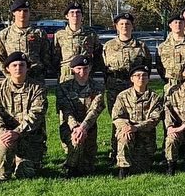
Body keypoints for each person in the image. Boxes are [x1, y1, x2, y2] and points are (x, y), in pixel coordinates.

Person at [0, 51, 48, 182]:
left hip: (30, 137)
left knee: (26, 174)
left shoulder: (37, 88)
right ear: (7, 68)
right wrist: (2, 132)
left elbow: (37, 114)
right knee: (3, 147)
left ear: (27, 68)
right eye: (14, 65)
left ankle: (19, 162)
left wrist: (18, 132)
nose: (18, 68)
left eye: (22, 65)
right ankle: (3, 173)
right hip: (6, 136)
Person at [102, 12, 151, 157]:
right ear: (116, 27)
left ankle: (138, 150)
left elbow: (147, 66)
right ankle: (116, 150)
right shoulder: (108, 46)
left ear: (132, 26)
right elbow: (103, 67)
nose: (125, 26)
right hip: (114, 87)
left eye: (128, 24)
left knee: (137, 118)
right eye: (121, 24)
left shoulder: (141, 46)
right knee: (117, 119)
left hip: (136, 87)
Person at [55, 54, 106, 178]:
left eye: (85, 68)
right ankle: (70, 168)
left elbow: (94, 111)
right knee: (76, 142)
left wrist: (83, 128)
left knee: (87, 168)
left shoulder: (98, 87)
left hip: (89, 128)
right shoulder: (63, 87)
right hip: (69, 127)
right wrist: (75, 128)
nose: (82, 72)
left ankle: (75, 160)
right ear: (72, 70)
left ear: (90, 69)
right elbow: (66, 110)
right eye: (78, 69)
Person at [111, 65, 164, 178]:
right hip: (128, 132)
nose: (141, 78)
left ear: (148, 78)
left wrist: (136, 127)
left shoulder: (154, 97)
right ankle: (123, 169)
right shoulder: (123, 96)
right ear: (132, 79)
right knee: (124, 136)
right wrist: (127, 126)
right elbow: (117, 117)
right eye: (137, 75)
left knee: (141, 169)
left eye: (144, 75)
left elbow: (155, 119)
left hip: (146, 137)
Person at [0, 0, 51, 83]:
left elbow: (46, 55)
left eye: (25, 11)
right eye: (19, 11)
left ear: (29, 12)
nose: (22, 13)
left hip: (36, 77)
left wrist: (42, 70)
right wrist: (8, 74)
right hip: (14, 78)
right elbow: (0, 57)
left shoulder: (39, 33)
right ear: (13, 13)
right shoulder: (5, 34)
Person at [53, 2, 101, 82]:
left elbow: (98, 55)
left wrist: (91, 70)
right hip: (66, 75)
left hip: (85, 74)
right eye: (72, 12)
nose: (75, 15)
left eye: (78, 12)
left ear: (82, 16)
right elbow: (55, 57)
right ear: (67, 16)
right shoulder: (59, 35)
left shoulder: (91, 34)